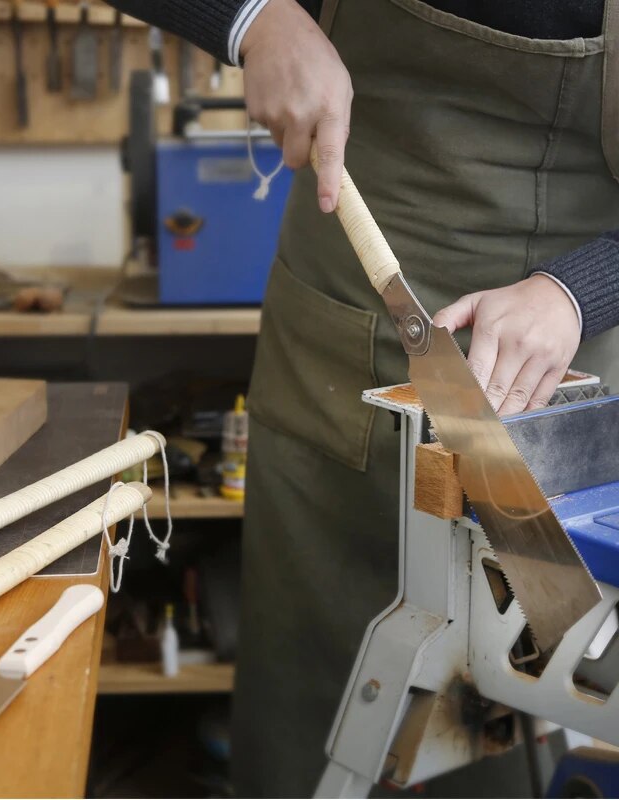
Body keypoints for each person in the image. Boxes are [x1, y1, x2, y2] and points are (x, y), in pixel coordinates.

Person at [109, 1, 619, 796]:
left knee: (552, 666)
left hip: (576, 361)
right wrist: (254, 19)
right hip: (353, 319)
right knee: (324, 717)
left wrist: (578, 293)